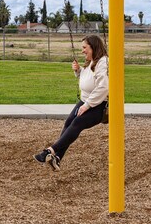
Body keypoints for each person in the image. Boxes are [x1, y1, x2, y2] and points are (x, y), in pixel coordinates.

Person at [33, 34, 108, 171]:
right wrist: (79, 71)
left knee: (77, 123)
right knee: (68, 123)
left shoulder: (103, 62)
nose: (82, 50)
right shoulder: (91, 61)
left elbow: (103, 87)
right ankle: (57, 158)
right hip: (86, 101)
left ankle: (50, 151)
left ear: (94, 47)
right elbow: (89, 80)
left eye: (85, 47)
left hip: (99, 106)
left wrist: (87, 105)